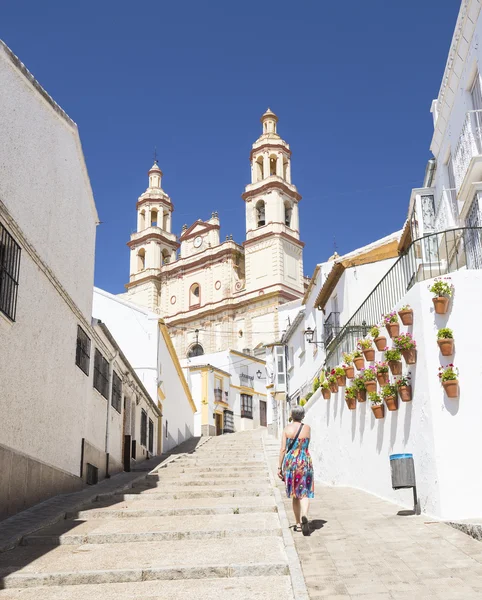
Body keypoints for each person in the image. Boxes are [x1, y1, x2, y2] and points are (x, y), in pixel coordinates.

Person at [277, 406, 314, 535]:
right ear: (303, 416)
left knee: (295, 494)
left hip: (291, 462)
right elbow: (306, 444)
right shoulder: (307, 428)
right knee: (304, 493)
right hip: (305, 461)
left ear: (292, 415)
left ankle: (298, 524)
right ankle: (305, 514)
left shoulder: (287, 429)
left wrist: (279, 467)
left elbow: (283, 449)